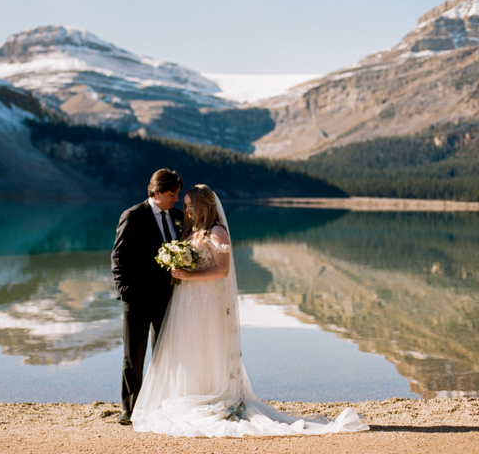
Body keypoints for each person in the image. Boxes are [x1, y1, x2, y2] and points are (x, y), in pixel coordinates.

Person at [130, 184, 369, 437]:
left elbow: (222, 271)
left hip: (206, 302)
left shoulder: (217, 231)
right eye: (186, 204)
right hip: (188, 301)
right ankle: (192, 392)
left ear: (204, 205)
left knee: (206, 344)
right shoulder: (192, 230)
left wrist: (190, 274)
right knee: (190, 346)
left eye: (191, 205)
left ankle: (212, 395)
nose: (186, 209)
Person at [111, 168, 184, 425]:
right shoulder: (133, 216)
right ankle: (129, 409)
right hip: (137, 300)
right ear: (157, 192)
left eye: (177, 193)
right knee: (134, 356)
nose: (177, 198)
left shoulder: (178, 217)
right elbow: (118, 257)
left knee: (166, 354)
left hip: (169, 299)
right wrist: (125, 292)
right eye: (173, 193)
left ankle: (163, 405)